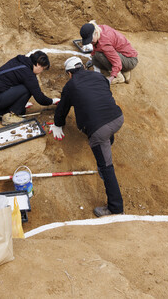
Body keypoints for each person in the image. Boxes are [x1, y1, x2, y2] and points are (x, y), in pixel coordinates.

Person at [50, 56, 124, 217]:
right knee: (106, 132)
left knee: (106, 167)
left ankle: (115, 208)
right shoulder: (99, 76)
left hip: (98, 130)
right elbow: (104, 94)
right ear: (83, 67)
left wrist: (57, 123)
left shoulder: (71, 85)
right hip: (118, 118)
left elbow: (62, 108)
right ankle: (108, 139)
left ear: (69, 73)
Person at [0, 51, 59, 128]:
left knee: (22, 100)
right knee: (27, 88)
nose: (41, 72)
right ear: (38, 64)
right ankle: (9, 116)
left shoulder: (19, 60)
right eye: (43, 69)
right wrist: (52, 101)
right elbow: (40, 98)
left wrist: (21, 103)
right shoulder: (28, 75)